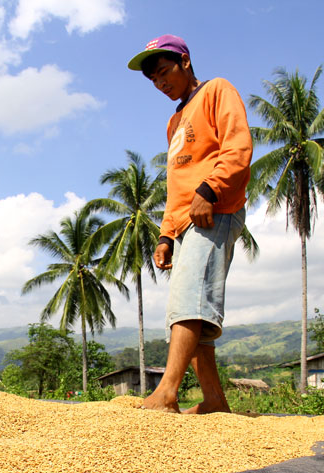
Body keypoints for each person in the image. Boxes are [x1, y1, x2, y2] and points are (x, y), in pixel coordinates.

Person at [127, 35, 252, 413]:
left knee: (189, 303)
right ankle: (214, 401)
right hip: (183, 221)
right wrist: (165, 234)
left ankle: (167, 392)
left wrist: (210, 190)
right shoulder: (174, 122)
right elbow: (175, 185)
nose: (160, 83)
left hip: (214, 210)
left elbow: (238, 146)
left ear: (184, 61)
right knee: (187, 307)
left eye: (164, 72)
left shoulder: (217, 90)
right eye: (153, 80)